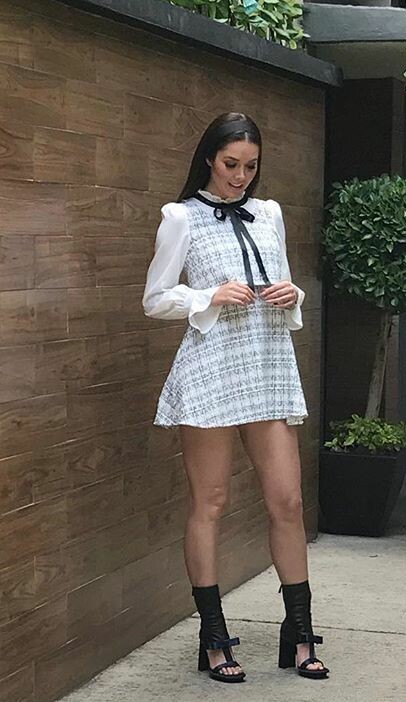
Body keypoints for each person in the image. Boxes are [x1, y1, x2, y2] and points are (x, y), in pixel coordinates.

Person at [142, 112, 329, 683]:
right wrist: (208, 295)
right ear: (209, 159)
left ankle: (299, 633)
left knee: (288, 502)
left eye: (250, 166)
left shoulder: (269, 213)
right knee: (211, 502)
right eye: (230, 164)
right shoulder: (180, 217)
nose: (240, 176)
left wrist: (293, 294)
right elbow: (155, 299)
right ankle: (213, 638)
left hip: (268, 368)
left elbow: (285, 284)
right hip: (211, 371)